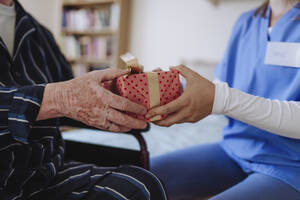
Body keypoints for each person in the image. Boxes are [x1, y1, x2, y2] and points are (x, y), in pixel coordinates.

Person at [0, 0, 167, 199]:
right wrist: (58, 98)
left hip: (45, 175)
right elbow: (66, 96)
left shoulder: (40, 35)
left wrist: (126, 97)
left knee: (140, 188)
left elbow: (75, 94)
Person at [148, 0, 300, 199]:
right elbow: (220, 88)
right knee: (136, 179)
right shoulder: (247, 22)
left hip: (290, 166)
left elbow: (221, 97)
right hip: (235, 149)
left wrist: (219, 98)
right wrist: (171, 88)